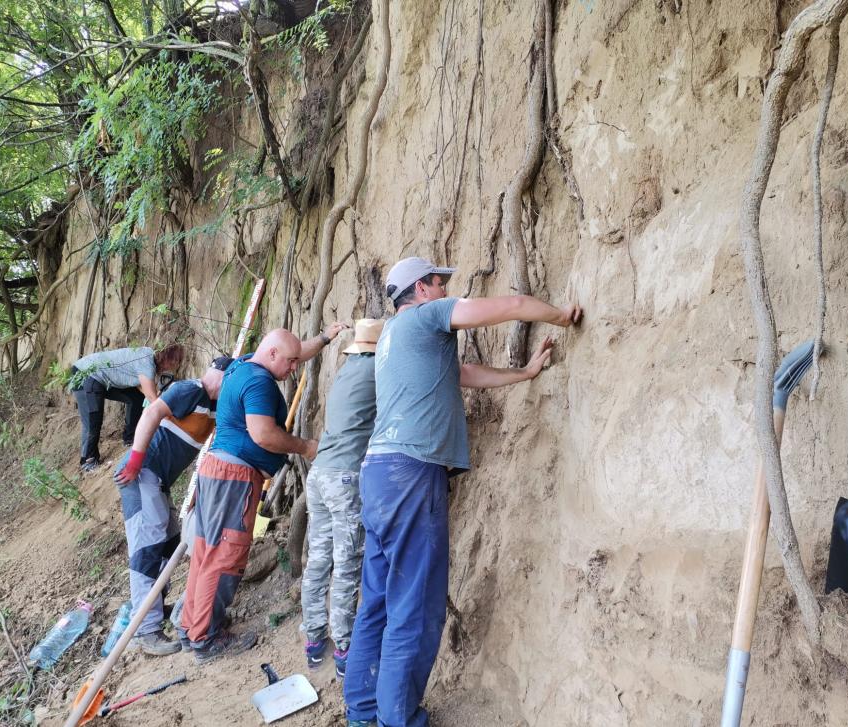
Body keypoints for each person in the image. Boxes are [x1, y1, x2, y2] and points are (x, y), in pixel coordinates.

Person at [343, 257, 582, 727]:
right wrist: (562, 314)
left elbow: (463, 374)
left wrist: (524, 374)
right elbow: (510, 305)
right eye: (439, 281)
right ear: (423, 290)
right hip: (411, 474)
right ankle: (397, 719)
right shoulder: (427, 315)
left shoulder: (393, 337)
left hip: (378, 474)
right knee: (415, 601)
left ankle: (362, 711)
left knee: (377, 599)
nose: (445, 287)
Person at [180, 324, 346, 664]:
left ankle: (191, 627)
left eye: (296, 363)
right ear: (271, 355)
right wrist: (306, 446)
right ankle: (206, 639)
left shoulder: (242, 365)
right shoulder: (259, 382)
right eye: (290, 363)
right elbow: (264, 435)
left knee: (207, 548)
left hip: (217, 471)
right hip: (236, 476)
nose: (293, 370)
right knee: (226, 553)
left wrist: (325, 339)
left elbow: (290, 350)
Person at [112, 356, 234, 656]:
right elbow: (151, 414)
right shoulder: (190, 389)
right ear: (216, 374)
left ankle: (152, 606)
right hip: (142, 473)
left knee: (168, 544)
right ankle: (146, 630)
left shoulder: (212, 407)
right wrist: (137, 460)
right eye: (225, 379)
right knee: (147, 546)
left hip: (158, 479)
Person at [301, 318, 384, 679]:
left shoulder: (348, 371)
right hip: (344, 478)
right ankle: (346, 648)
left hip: (320, 474)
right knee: (347, 561)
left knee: (318, 558)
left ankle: (315, 639)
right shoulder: (377, 370)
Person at [70, 344, 185, 472]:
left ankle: (130, 438)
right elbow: (153, 399)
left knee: (135, 398)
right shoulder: (146, 363)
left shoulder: (146, 356)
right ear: (167, 359)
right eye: (175, 362)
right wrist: (175, 417)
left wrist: (155, 395)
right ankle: (88, 460)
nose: (175, 367)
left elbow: (143, 389)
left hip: (103, 378)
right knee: (93, 418)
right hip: (85, 373)